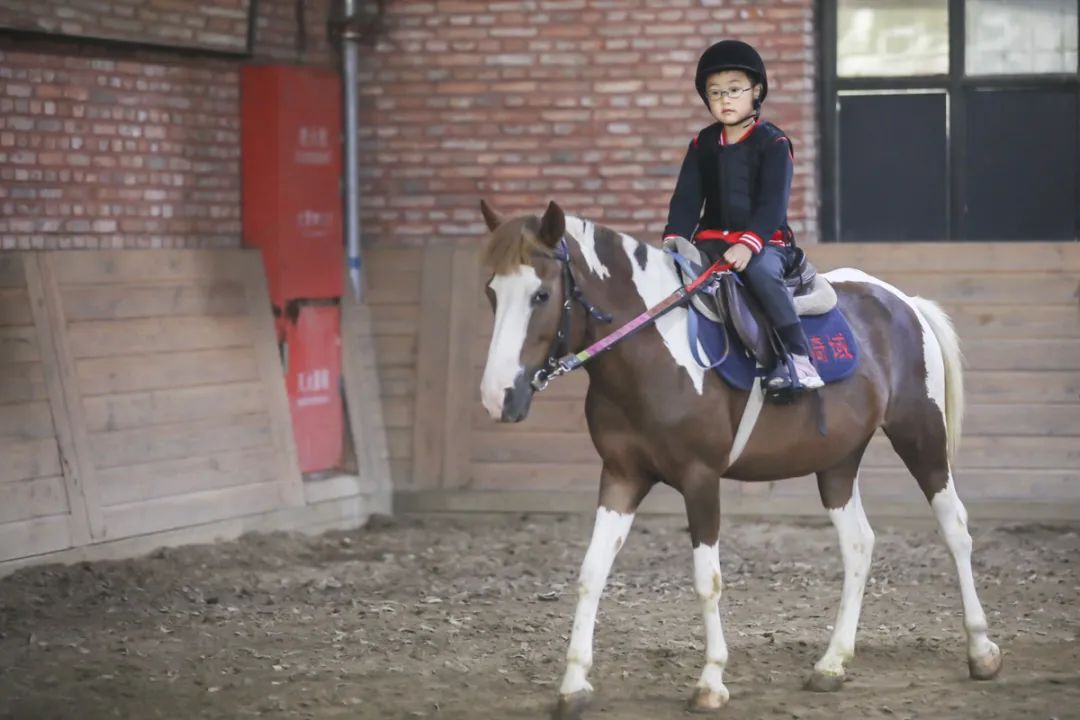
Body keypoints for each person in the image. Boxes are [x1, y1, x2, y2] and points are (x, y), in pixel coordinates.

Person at [663, 39, 823, 392]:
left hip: (766, 243)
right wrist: (674, 238)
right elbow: (687, 199)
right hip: (711, 240)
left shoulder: (773, 143)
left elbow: (772, 204)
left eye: (735, 90)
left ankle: (798, 357)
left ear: (756, 91)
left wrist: (749, 245)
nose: (725, 99)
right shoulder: (702, 144)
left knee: (760, 273)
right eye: (715, 92)